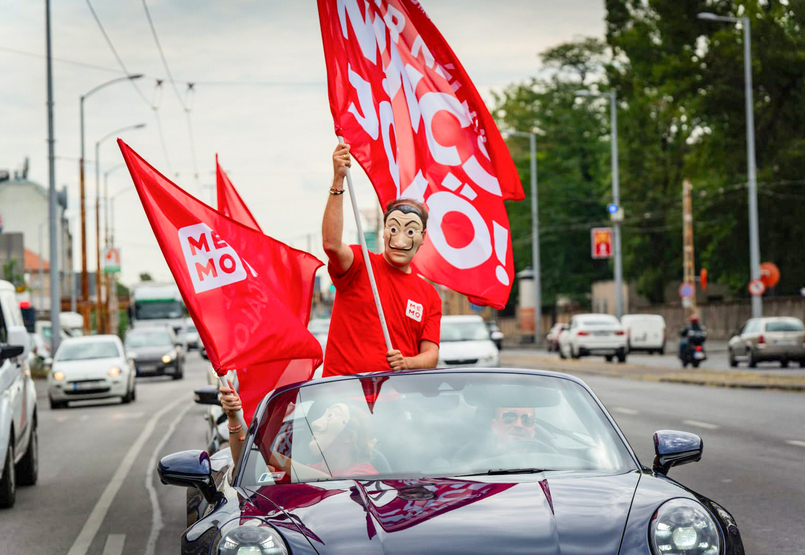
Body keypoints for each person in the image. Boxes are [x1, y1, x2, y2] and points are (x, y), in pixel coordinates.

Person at [322, 143, 441, 377]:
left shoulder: (429, 295)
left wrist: (407, 363)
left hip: (397, 401)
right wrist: (338, 180)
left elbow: (431, 356)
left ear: (423, 237)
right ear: (384, 231)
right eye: (394, 228)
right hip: (343, 396)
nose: (400, 238)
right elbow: (332, 245)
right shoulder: (359, 263)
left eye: (410, 231)